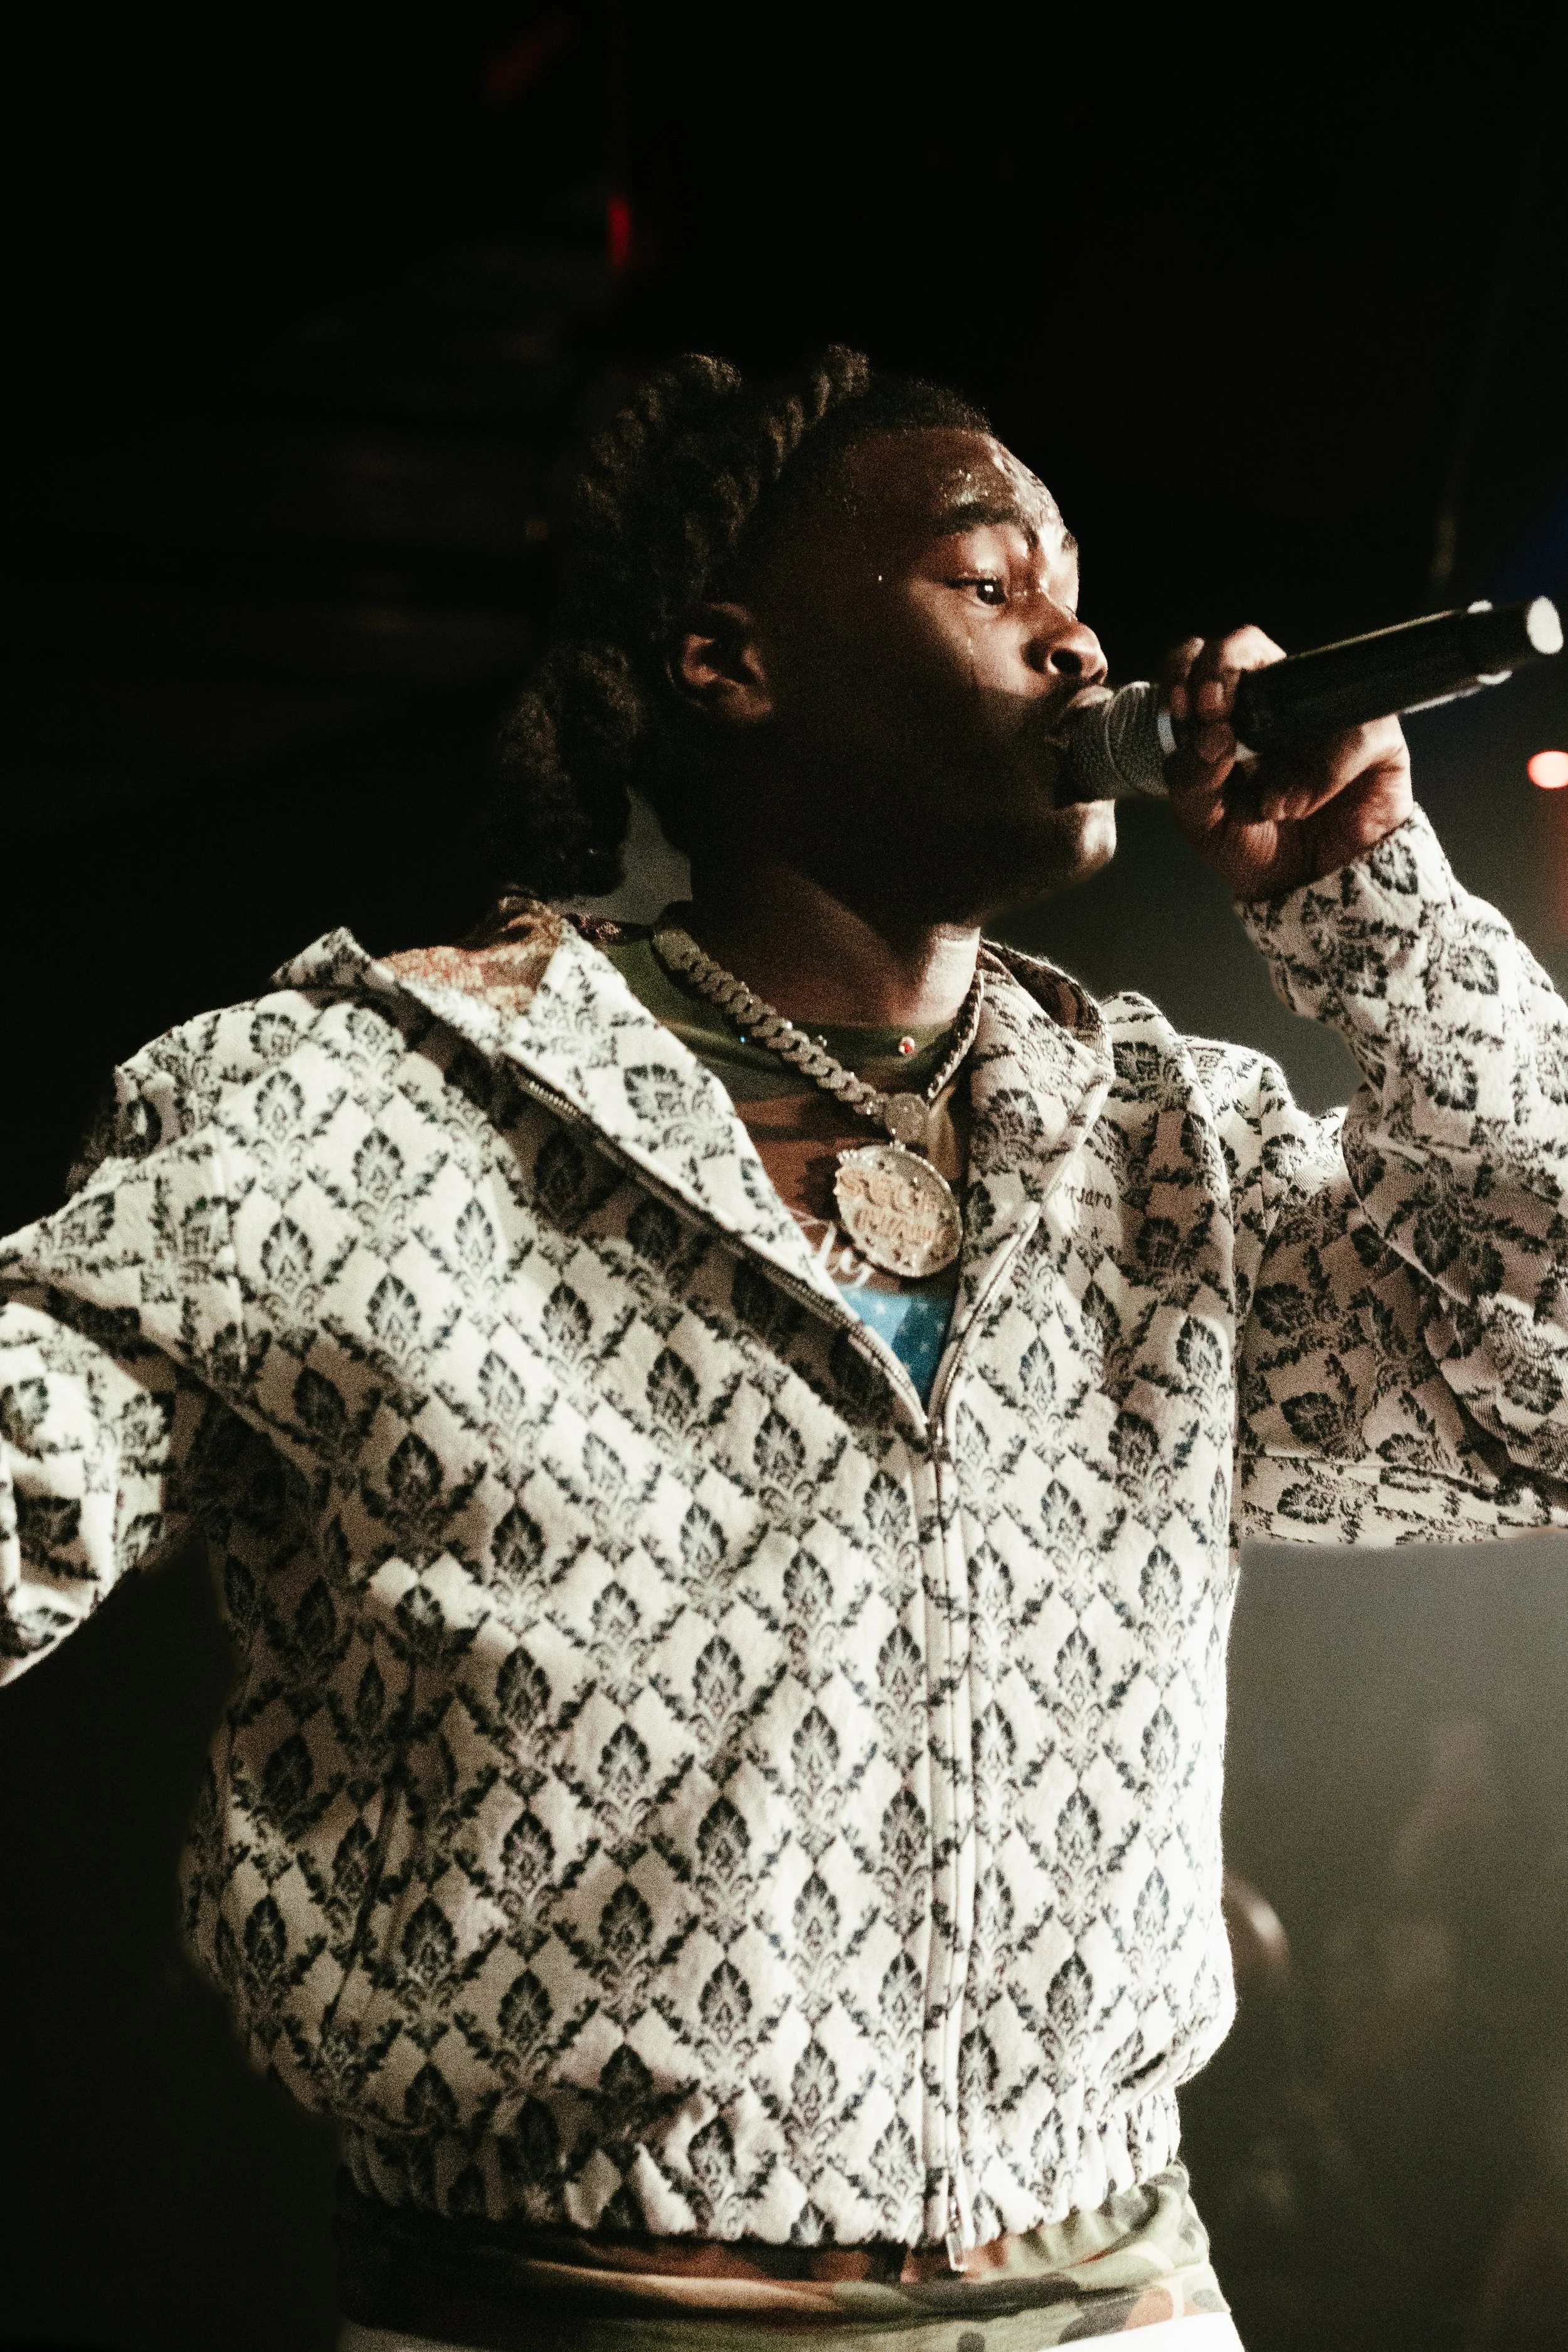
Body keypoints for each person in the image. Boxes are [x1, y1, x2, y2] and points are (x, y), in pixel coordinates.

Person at [5, 346, 1567, 2352]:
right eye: (986, 577)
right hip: (572, 2311)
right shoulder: (367, 1120)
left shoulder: (1163, 1153)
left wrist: (1376, 911)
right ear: (729, 664)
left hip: (1113, 2301)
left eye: (1073, 577)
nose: (1073, 628)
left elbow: (1542, 1388)